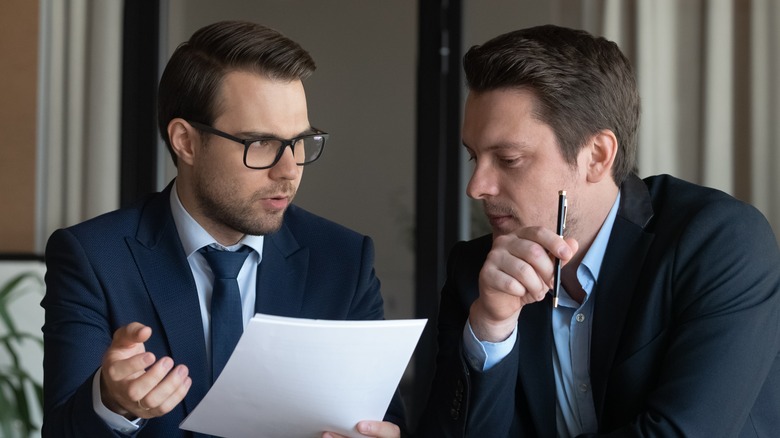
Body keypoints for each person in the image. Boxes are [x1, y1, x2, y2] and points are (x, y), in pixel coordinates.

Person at [42, 20, 403, 438]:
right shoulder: (93, 257)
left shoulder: (344, 260)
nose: (289, 171)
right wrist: (112, 405)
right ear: (186, 142)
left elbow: (387, 420)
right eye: (260, 144)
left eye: (300, 141)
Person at [417, 24, 780, 437]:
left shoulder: (719, 241)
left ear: (597, 155)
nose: (477, 187)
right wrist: (491, 328)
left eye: (509, 159)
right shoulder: (477, 273)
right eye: (474, 157)